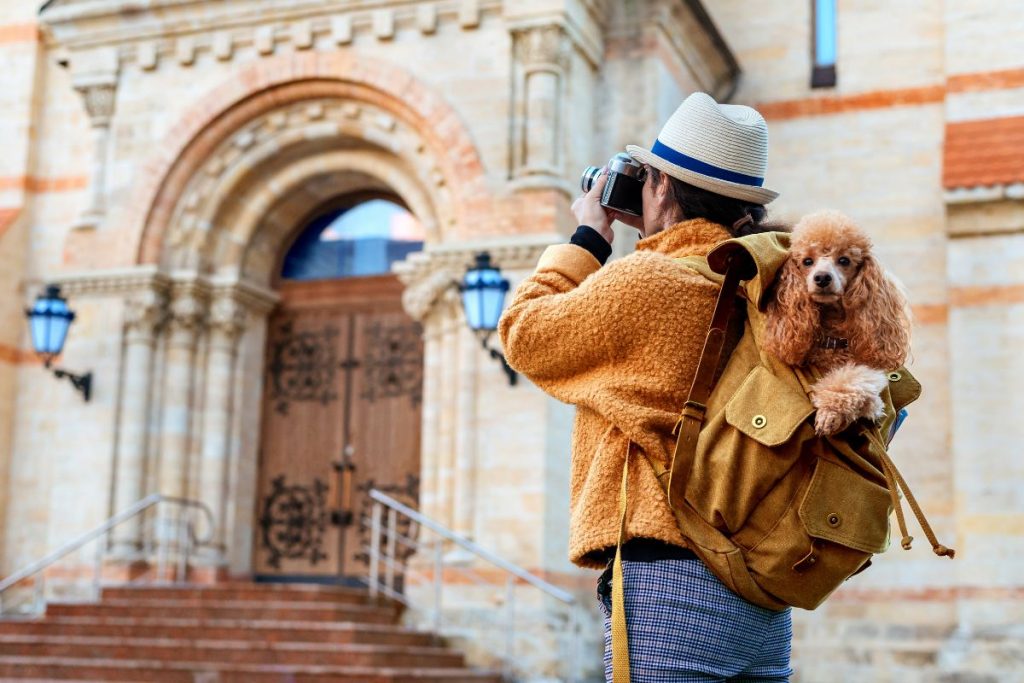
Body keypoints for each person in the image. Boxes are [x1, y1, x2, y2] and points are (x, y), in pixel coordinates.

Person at [497, 92, 792, 682]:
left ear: (662, 189)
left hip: (670, 579)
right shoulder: (775, 285)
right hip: (763, 587)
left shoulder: (648, 282)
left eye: (651, 179)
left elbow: (524, 332)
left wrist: (590, 234)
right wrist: (655, 233)